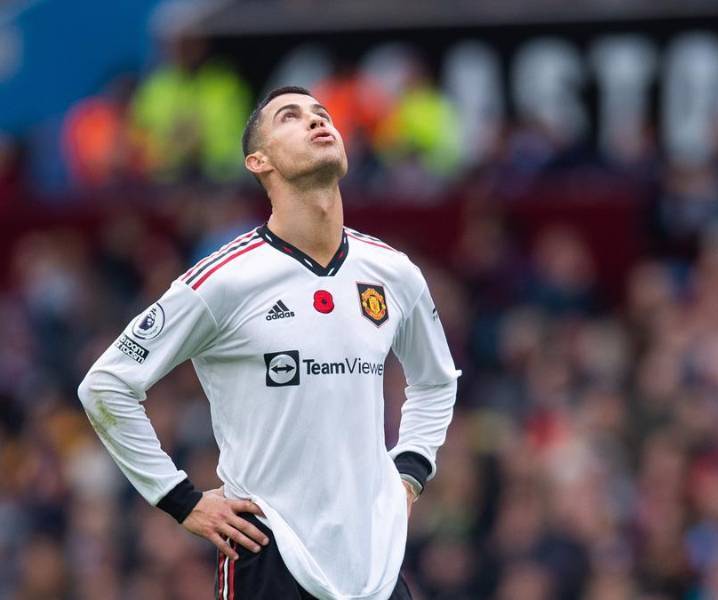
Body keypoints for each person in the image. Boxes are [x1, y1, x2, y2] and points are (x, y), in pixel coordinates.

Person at [77, 85, 460, 600]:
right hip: (270, 553)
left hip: (376, 561)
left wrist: (411, 469)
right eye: (291, 117)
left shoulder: (392, 272)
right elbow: (105, 385)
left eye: (322, 114)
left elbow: (436, 381)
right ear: (258, 161)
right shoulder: (225, 280)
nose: (317, 121)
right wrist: (181, 500)